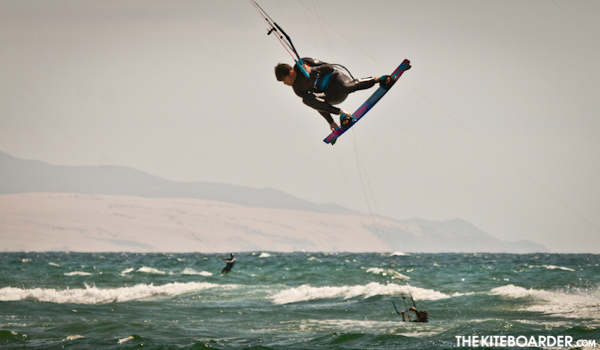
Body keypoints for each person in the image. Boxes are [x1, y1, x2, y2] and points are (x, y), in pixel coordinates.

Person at [275, 58, 392, 131]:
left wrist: (313, 70)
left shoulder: (304, 63)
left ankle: (377, 80)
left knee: (346, 87)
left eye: (284, 80)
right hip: (331, 96)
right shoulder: (297, 89)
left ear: (290, 72)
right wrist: (331, 122)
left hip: (337, 80)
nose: (285, 84)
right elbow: (316, 104)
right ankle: (343, 114)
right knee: (306, 100)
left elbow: (329, 67)